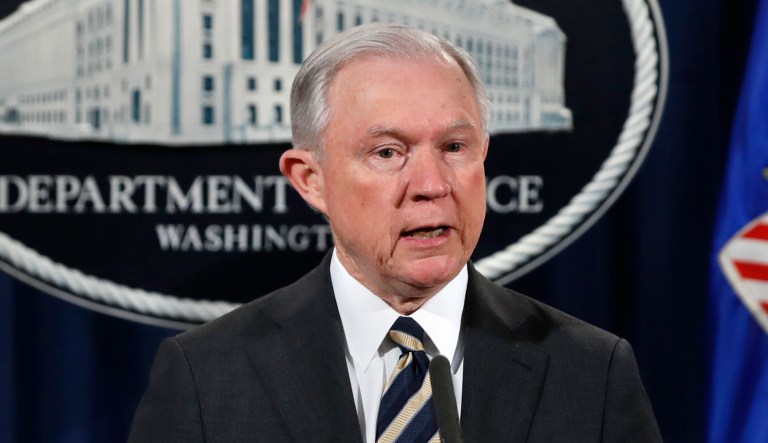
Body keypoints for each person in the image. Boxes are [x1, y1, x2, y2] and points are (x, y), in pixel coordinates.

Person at [129, 23, 661, 442]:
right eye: (388, 152)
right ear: (311, 180)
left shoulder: (592, 371)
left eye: (455, 148)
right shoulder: (206, 376)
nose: (431, 185)